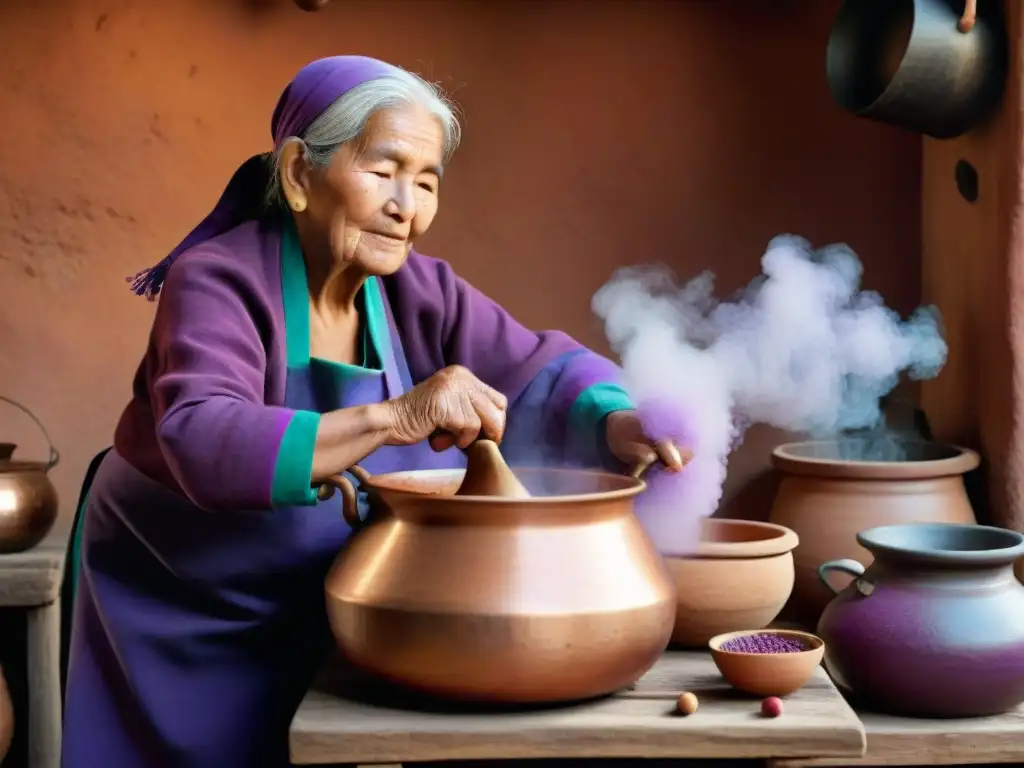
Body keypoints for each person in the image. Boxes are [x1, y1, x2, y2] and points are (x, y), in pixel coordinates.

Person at [61, 55, 687, 767]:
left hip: (322, 594)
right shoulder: (217, 280)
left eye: (426, 182)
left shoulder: (419, 288)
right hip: (183, 595)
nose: (407, 206)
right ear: (298, 173)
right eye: (385, 170)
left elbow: (537, 365)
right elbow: (201, 436)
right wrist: (397, 418)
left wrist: (616, 422)